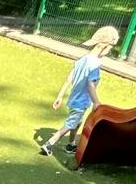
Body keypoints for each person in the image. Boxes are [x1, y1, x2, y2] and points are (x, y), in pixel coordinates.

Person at [40, 25, 119, 155]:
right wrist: (96, 102)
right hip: (81, 102)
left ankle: (71, 144)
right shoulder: (94, 64)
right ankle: (49, 143)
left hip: (73, 99)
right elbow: (90, 84)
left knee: (77, 122)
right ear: (104, 46)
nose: (109, 51)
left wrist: (60, 96)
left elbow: (69, 79)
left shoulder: (82, 60)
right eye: (110, 48)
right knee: (71, 123)